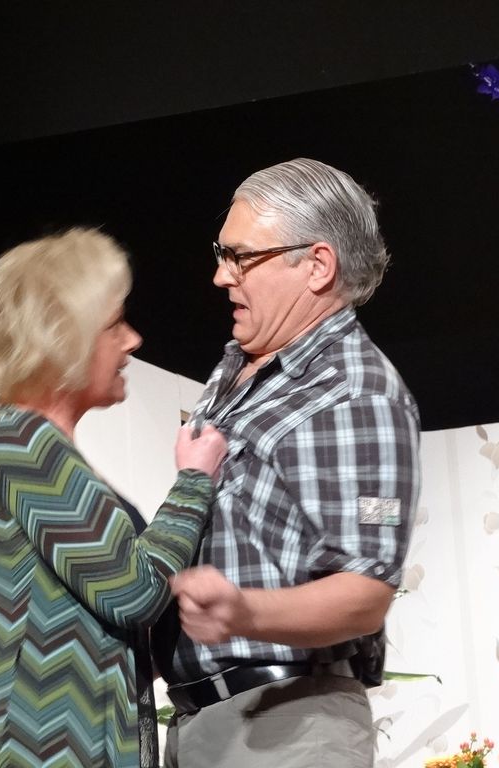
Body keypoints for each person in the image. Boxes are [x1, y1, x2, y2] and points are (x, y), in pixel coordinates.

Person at [156, 158, 421, 768]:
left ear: (317, 266)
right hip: (203, 725)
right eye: (221, 253)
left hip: (288, 728)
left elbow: (364, 593)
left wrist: (243, 611)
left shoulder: (355, 393)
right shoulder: (240, 367)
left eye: (241, 257)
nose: (221, 275)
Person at [0, 228, 227, 768]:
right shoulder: (20, 441)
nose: (132, 340)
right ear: (63, 338)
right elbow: (134, 590)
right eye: (114, 325)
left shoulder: (27, 443)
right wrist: (193, 482)